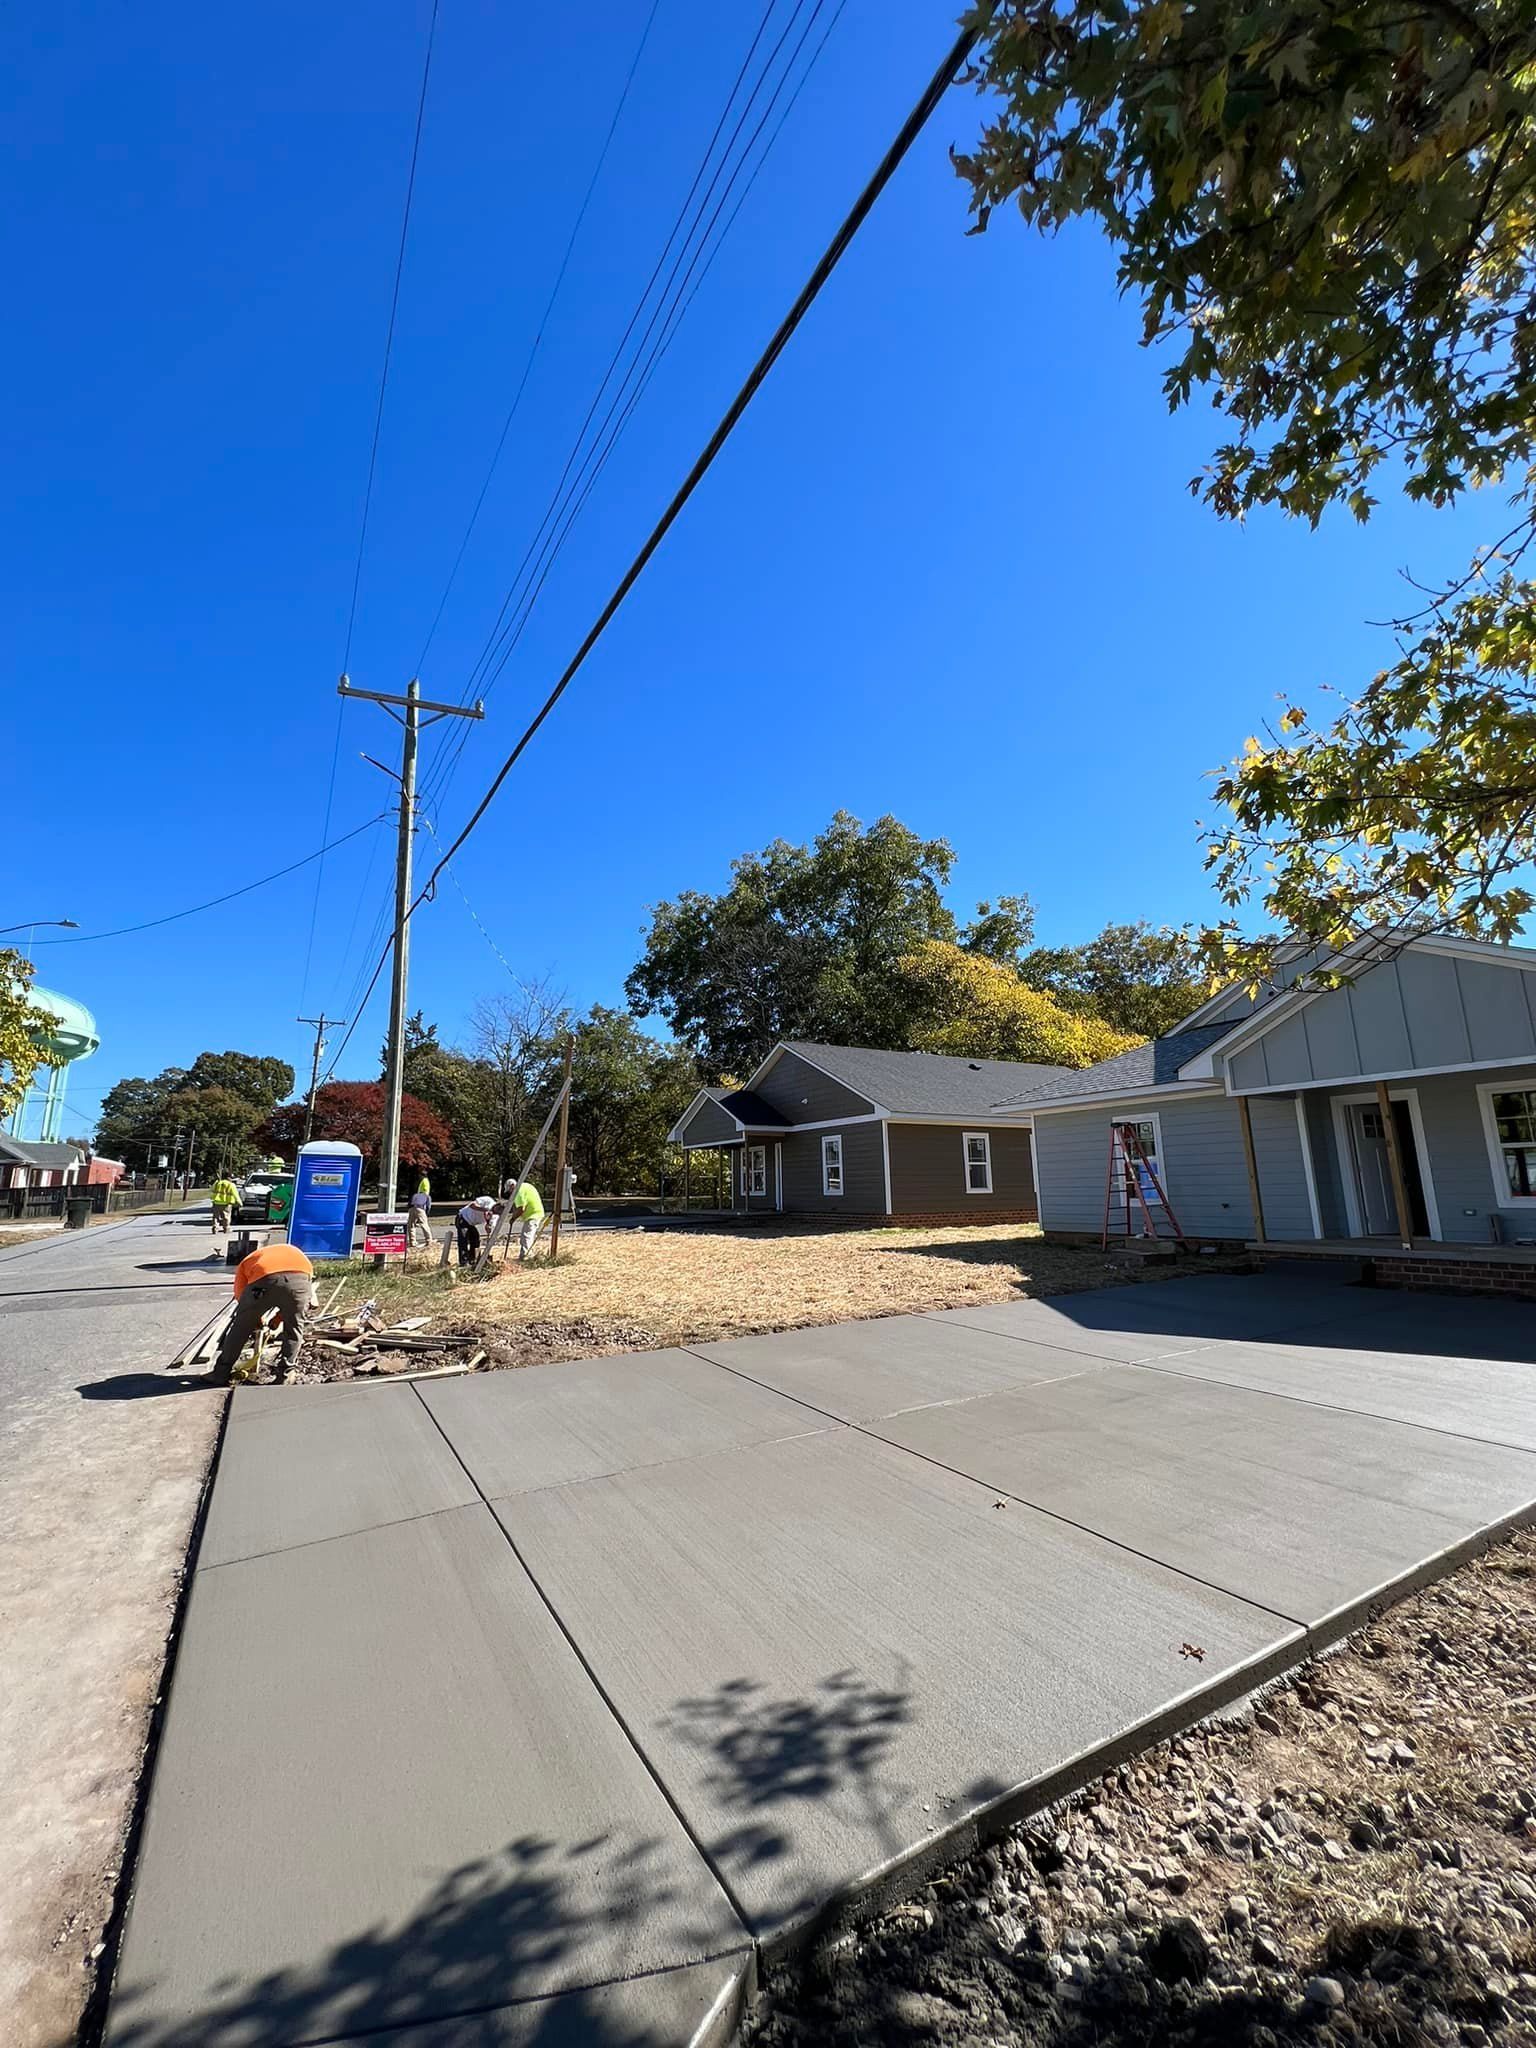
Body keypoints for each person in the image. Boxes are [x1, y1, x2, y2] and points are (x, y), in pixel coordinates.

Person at [208, 1241, 314, 1386]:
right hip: (300, 1279)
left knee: (240, 1328)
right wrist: (278, 1318)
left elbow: (240, 1296)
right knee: (294, 1328)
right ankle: (286, 1375)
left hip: (264, 1280)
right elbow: (293, 1298)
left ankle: (220, 1374)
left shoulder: (248, 1261)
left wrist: (254, 1318)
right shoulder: (296, 1253)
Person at [507, 1178, 546, 1261]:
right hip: (536, 1212)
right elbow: (517, 1206)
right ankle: (528, 1254)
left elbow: (521, 1209)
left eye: (510, 1190)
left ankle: (526, 1256)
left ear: (512, 1186)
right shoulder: (524, 1186)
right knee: (528, 1235)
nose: (510, 1193)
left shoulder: (518, 1191)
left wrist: (513, 1218)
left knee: (526, 1235)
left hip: (533, 1214)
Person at [455, 1195, 497, 1267]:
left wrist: (488, 1226)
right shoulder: (487, 1200)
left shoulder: (495, 1216)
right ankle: (463, 1262)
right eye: (497, 1209)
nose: (496, 1211)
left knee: (475, 1239)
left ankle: (473, 1259)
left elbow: (488, 1227)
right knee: (463, 1240)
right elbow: (472, 1205)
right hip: (463, 1217)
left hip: (471, 1223)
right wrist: (485, 1210)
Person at [407, 1181, 433, 1249]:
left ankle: (412, 1242)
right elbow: (428, 1206)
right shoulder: (427, 1196)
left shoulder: (415, 1195)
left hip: (411, 1209)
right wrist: (426, 1214)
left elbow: (410, 1203)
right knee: (424, 1224)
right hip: (420, 1209)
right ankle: (429, 1240)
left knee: (411, 1225)